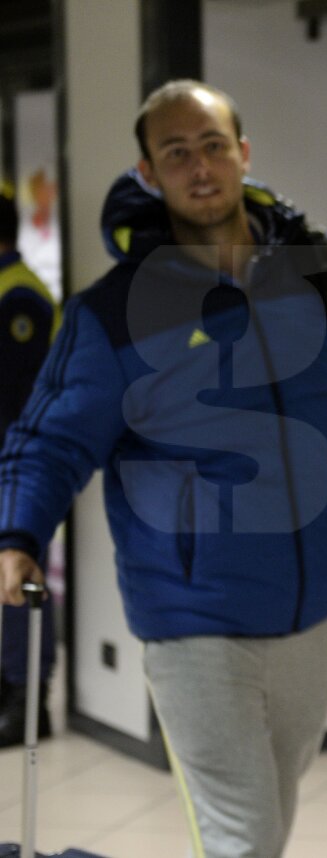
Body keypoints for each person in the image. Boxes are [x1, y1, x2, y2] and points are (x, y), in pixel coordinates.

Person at [0, 79, 327, 858]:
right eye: (176, 152)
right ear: (149, 173)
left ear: (243, 153)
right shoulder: (112, 314)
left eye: (213, 145)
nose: (200, 165)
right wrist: (17, 534)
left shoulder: (326, 271)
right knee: (243, 838)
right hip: (193, 618)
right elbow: (50, 440)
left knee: (265, 824)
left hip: (319, 604)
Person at [0, 186, 60, 749]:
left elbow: (19, 399)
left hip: (15, 467)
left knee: (20, 580)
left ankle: (29, 700)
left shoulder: (22, 298)